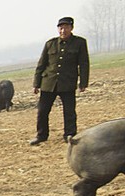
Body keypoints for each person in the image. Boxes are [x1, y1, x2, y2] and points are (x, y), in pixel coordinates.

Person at [30, 16, 90, 145]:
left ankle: (70, 135)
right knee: (42, 111)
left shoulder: (79, 43)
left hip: (67, 83)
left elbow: (84, 63)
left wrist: (83, 83)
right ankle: (41, 135)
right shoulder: (50, 44)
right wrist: (36, 83)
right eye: (61, 28)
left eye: (66, 27)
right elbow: (41, 64)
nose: (63, 30)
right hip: (48, 83)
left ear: (71, 28)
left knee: (69, 112)